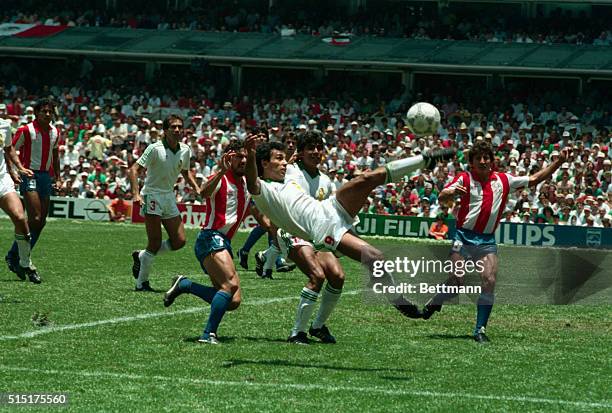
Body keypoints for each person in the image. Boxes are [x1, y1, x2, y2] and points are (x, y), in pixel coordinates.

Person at [244, 134, 456, 319]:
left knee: (366, 179)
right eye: (278, 159)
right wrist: (250, 155)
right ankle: (396, 297)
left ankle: (425, 160)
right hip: (323, 229)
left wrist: (295, 153)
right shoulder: (263, 189)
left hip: (330, 208)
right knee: (375, 258)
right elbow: (251, 179)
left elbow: (296, 159)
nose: (284, 163)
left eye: (284, 159)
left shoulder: (289, 173)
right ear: (263, 163)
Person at [422, 140, 570, 343]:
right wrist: (446, 193)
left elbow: (535, 178)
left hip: (486, 240)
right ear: (471, 163)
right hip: (463, 236)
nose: (483, 161)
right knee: (457, 281)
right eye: (478, 158)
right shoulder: (464, 178)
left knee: (489, 281)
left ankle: (480, 329)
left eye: (486, 158)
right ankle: (437, 300)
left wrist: (559, 161)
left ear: (492, 161)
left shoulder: (503, 180)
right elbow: (443, 196)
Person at [256, 131, 345, 344]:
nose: (315, 152)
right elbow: (266, 185)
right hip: (293, 233)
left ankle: (318, 326)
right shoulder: (289, 171)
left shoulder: (325, 180)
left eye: (319, 148)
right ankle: (298, 332)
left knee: (338, 276)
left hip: (317, 234)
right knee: (317, 276)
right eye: (310, 148)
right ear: (300, 152)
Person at [163, 142, 250, 344]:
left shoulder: (246, 183)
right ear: (228, 158)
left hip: (224, 242)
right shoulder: (221, 178)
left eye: (245, 157)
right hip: (210, 237)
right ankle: (208, 334)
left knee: (233, 301)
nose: (243, 160)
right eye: (238, 156)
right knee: (229, 285)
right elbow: (203, 193)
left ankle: (184, 285)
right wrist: (221, 171)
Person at [129, 115, 199, 291]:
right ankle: (141, 283)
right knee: (155, 240)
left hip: (168, 196)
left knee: (180, 240)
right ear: (165, 130)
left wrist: (197, 188)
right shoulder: (154, 148)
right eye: (173, 127)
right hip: (152, 195)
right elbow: (134, 170)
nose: (177, 130)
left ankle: (142, 256)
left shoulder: (185, 150)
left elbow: (186, 172)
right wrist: (136, 194)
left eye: (179, 127)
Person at [4, 98, 61, 283]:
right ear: (36, 113)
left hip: (45, 177)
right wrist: (13, 171)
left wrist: (58, 177)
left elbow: (55, 154)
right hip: (30, 175)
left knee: (41, 222)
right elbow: (9, 149)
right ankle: (23, 261)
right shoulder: (25, 130)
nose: (47, 114)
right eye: (44, 111)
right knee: (35, 218)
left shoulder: (55, 132)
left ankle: (14, 255)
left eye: (50, 111)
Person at [0, 118, 40, 282]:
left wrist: (19, 168)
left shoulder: (4, 125)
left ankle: (25, 262)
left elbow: (8, 149)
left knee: (20, 218)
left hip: (2, 180)